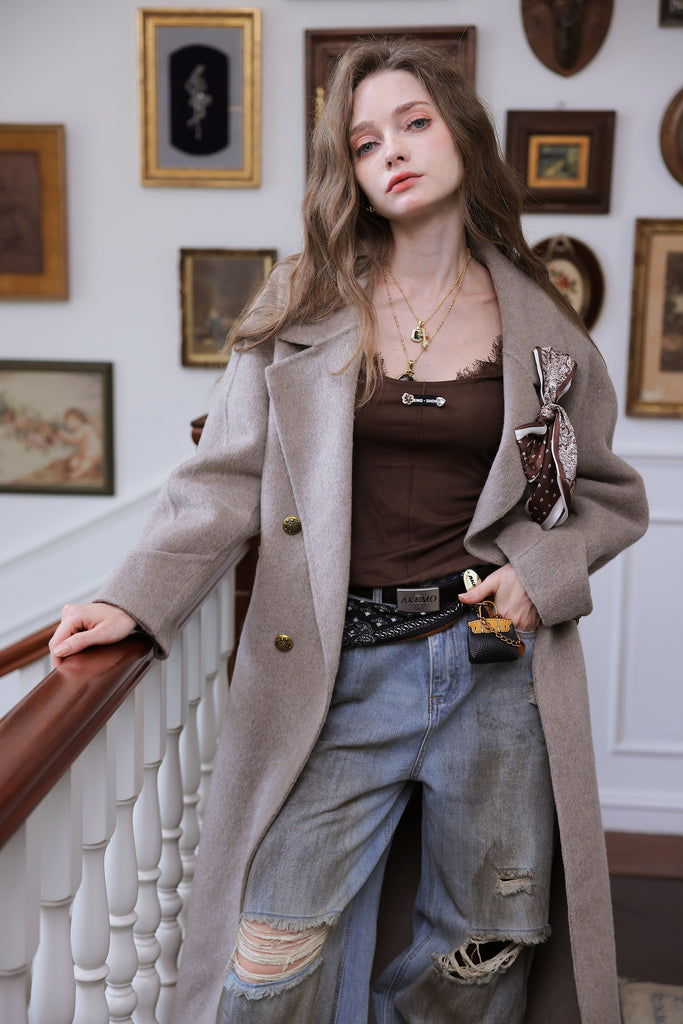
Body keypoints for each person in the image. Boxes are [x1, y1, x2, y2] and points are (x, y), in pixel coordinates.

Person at [50, 38, 648, 1024]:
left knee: (480, 945)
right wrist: (133, 599)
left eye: (413, 123)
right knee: (267, 955)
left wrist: (539, 572)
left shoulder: (544, 328)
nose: (392, 152)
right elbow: (222, 478)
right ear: (353, 174)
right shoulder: (303, 302)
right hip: (335, 669)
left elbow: (611, 496)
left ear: (461, 133)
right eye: (366, 142)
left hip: (490, 665)